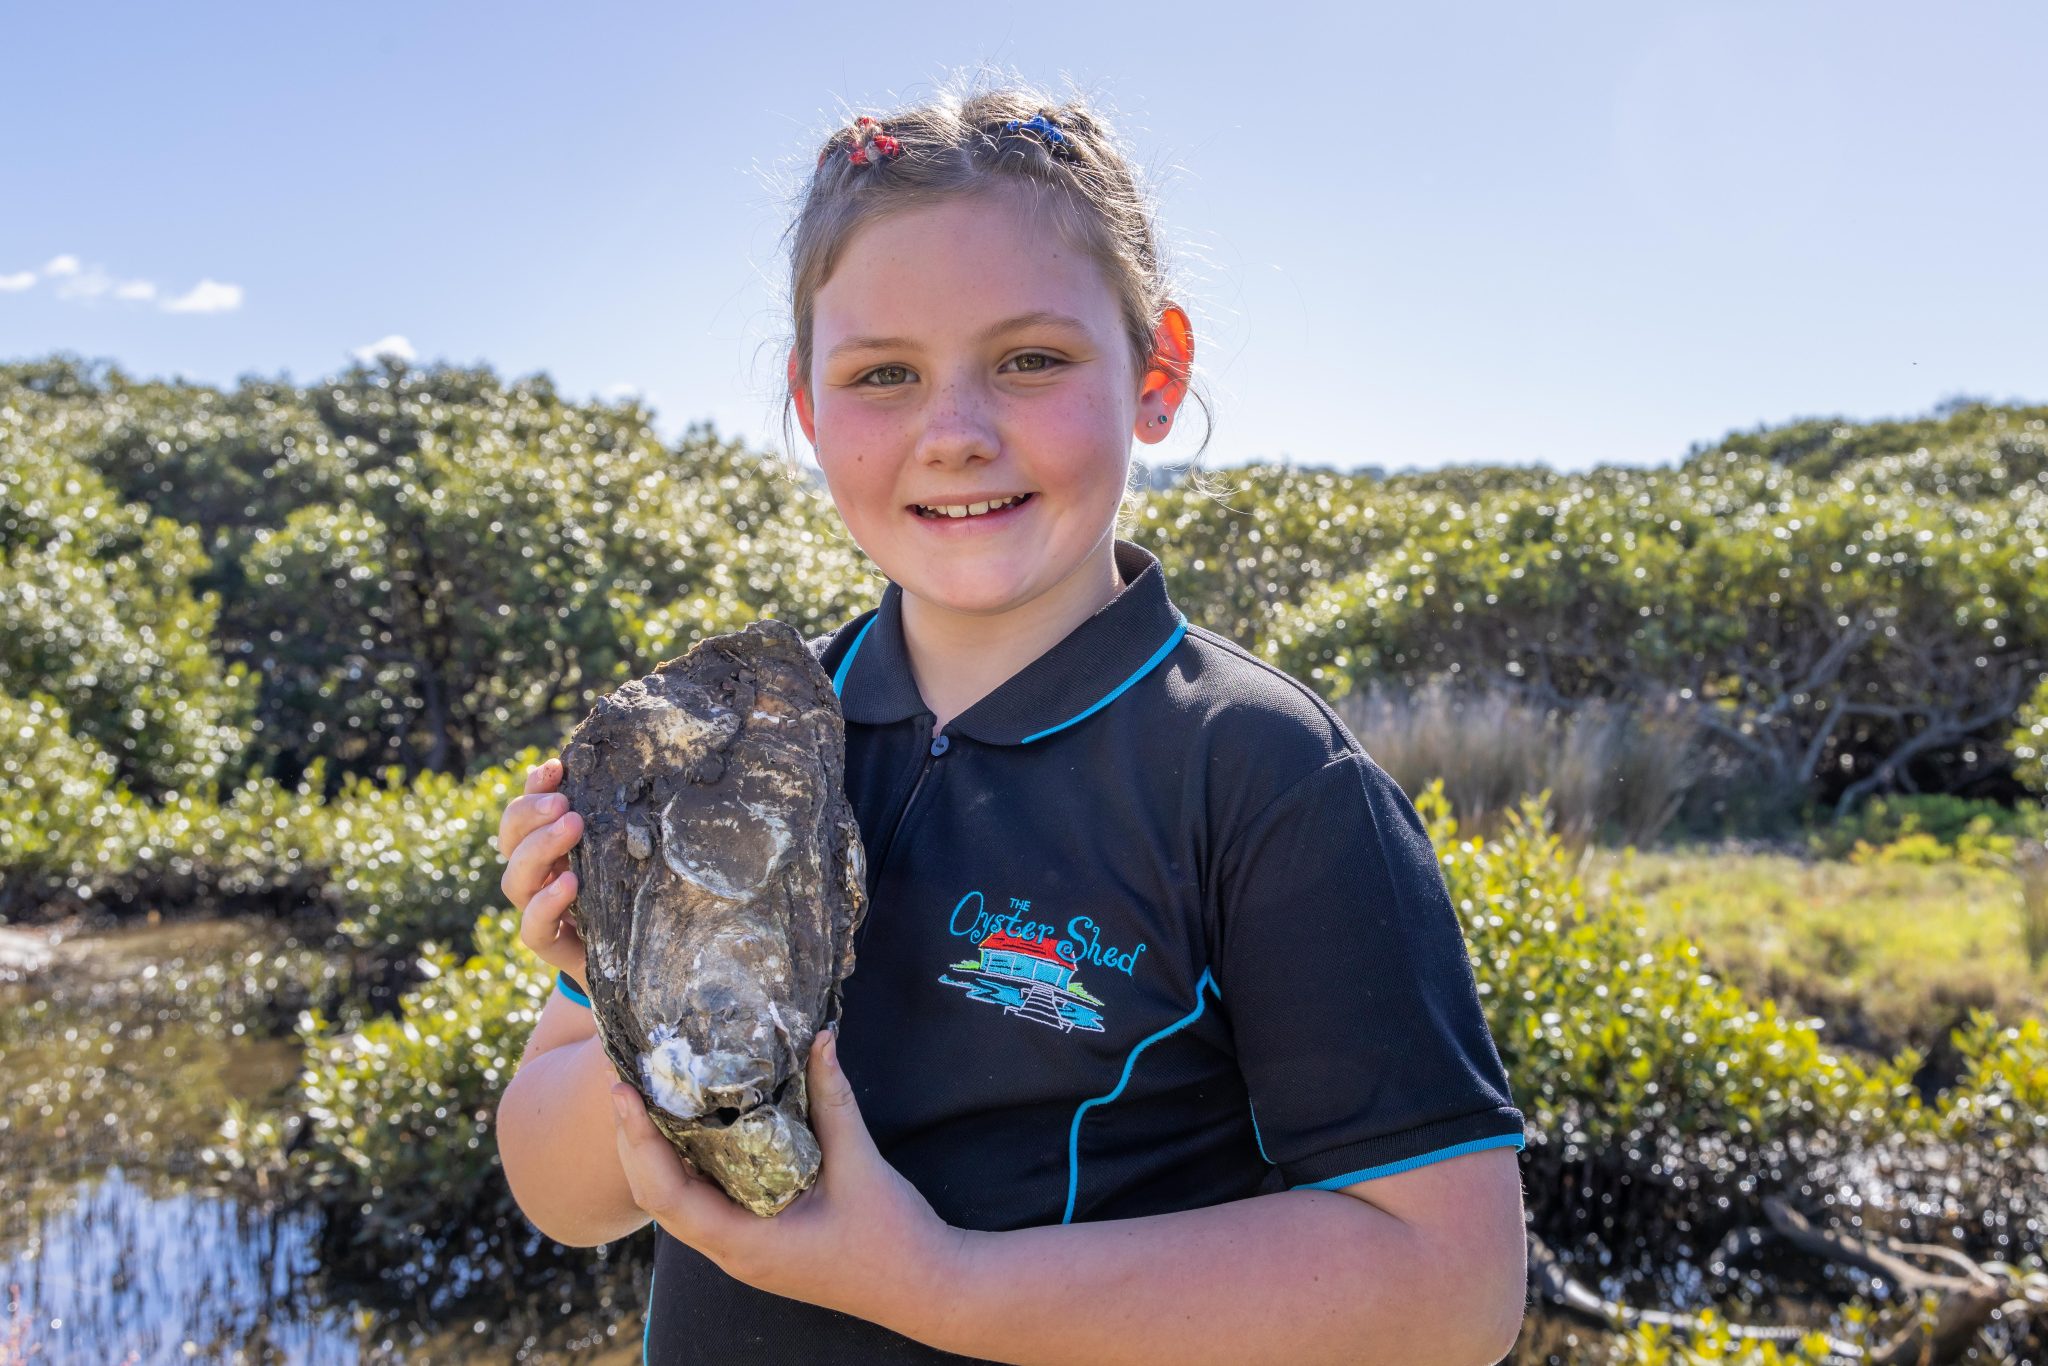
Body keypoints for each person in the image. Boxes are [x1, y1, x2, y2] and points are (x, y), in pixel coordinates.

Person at [495, 78, 1529, 1366]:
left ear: (1157, 375)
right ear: (809, 412)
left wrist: (939, 1284)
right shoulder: (723, 743)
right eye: (884, 375)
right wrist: (645, 1009)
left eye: (1030, 359)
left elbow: (1452, 1285)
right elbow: (558, 1191)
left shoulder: (1264, 775)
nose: (955, 433)